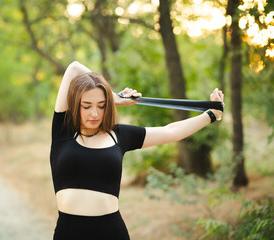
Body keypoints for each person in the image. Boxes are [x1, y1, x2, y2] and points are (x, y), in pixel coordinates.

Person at [50, 61, 224, 240]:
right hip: (68, 232)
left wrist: (211, 115)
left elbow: (171, 131)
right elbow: (73, 68)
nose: (94, 113)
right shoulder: (63, 131)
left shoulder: (118, 135)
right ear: (75, 104)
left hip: (110, 231)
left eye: (102, 105)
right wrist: (114, 96)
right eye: (86, 106)